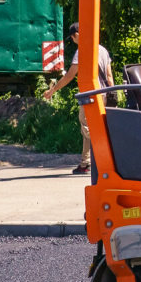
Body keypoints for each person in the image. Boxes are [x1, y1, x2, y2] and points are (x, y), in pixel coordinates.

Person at [42, 22, 114, 176]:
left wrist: (53, 90)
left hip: (89, 96)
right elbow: (109, 76)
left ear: (76, 35)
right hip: (104, 94)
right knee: (96, 128)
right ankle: (86, 162)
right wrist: (111, 93)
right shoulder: (102, 50)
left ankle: (102, 159)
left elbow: (69, 76)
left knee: (89, 129)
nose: (73, 40)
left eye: (73, 37)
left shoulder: (82, 52)